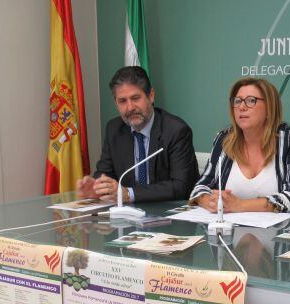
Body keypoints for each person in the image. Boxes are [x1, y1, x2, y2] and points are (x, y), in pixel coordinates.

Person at [76, 66, 199, 203]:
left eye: (135, 98)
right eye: (122, 101)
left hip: (168, 214)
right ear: (116, 103)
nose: (130, 108)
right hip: (127, 216)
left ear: (151, 95)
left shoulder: (176, 130)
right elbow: (105, 173)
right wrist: (97, 187)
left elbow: (181, 186)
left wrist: (129, 194)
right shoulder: (114, 129)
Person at [189, 78, 290, 213]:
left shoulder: (289, 140)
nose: (241, 107)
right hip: (231, 230)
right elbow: (201, 186)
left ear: (270, 107)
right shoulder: (224, 139)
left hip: (279, 230)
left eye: (251, 100)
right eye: (237, 101)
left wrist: (239, 205)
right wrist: (209, 202)